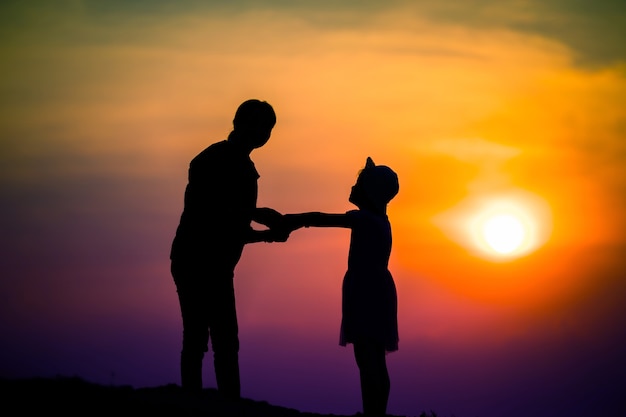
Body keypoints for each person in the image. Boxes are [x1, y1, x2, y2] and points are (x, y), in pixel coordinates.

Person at [170, 99, 287, 400]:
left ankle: (215, 402)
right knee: (206, 338)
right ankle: (213, 403)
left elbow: (234, 220)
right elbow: (219, 216)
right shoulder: (215, 160)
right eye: (260, 125)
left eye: (268, 128)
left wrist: (264, 225)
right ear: (238, 122)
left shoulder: (236, 163)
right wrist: (264, 225)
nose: (263, 132)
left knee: (215, 339)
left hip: (212, 261)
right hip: (199, 259)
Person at [282, 157, 399, 416]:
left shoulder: (364, 219)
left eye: (359, 183)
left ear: (369, 192)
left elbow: (320, 218)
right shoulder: (379, 220)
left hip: (366, 290)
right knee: (375, 357)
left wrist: (289, 220)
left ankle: (373, 412)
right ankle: (378, 411)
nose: (353, 187)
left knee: (367, 357)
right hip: (377, 288)